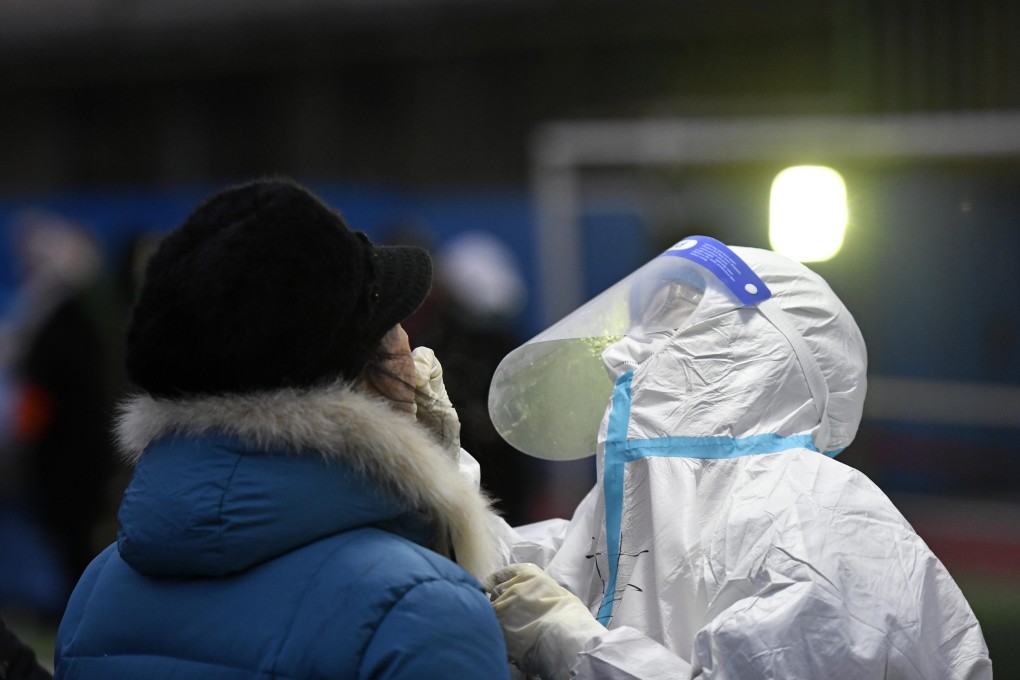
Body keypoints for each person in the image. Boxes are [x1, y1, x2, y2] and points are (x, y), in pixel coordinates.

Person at [52, 177, 509, 679]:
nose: (411, 346)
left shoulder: (96, 590)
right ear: (355, 379)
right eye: (393, 323)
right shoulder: (427, 615)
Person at [485, 237, 992, 679]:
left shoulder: (820, 518)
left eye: (671, 323)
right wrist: (437, 475)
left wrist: (570, 644)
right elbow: (522, 571)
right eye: (643, 321)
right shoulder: (637, 501)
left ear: (757, 352)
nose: (619, 354)